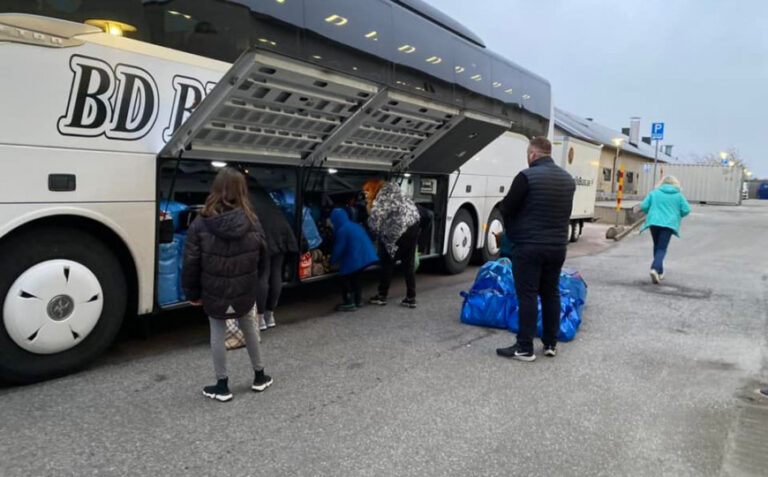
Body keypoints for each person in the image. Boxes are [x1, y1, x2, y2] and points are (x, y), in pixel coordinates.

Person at [182, 167, 272, 402]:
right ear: (242, 191)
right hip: (245, 288)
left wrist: (192, 293)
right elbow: (264, 256)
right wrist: (256, 281)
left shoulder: (200, 223)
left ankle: (222, 386)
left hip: (214, 290)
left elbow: (191, 261)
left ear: (216, 189)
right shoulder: (252, 220)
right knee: (249, 328)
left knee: (217, 333)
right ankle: (260, 376)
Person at [495, 137, 576, 362]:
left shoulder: (526, 177)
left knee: (528, 295)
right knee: (551, 293)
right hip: (557, 246)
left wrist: (506, 216)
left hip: (529, 246)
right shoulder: (568, 179)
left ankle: (524, 347)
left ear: (532, 154)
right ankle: (550, 343)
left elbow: (508, 207)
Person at [248, 178, 299, 330]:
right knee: (276, 273)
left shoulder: (244, 196)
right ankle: (270, 315)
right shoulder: (263, 195)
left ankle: (260, 318)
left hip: (266, 235)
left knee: (263, 275)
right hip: (282, 233)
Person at [364, 180, 421, 308]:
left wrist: (369, 210)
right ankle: (411, 298)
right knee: (408, 264)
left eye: (367, 192)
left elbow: (375, 226)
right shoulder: (397, 191)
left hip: (398, 232)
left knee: (387, 264)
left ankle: (382, 296)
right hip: (413, 226)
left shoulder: (380, 200)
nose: (366, 195)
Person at [639, 176, 691, 284]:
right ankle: (655, 268)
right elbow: (686, 209)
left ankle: (659, 271)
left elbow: (643, 206)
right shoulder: (678, 196)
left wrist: (651, 211)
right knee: (662, 248)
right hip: (669, 224)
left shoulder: (654, 193)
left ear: (661, 183)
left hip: (654, 222)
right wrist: (677, 214)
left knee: (657, 246)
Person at [329, 208, 379, 311]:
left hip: (356, 257)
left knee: (345, 278)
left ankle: (349, 303)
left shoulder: (343, 230)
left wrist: (331, 261)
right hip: (367, 255)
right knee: (356, 278)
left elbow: (339, 248)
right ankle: (358, 300)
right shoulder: (355, 225)